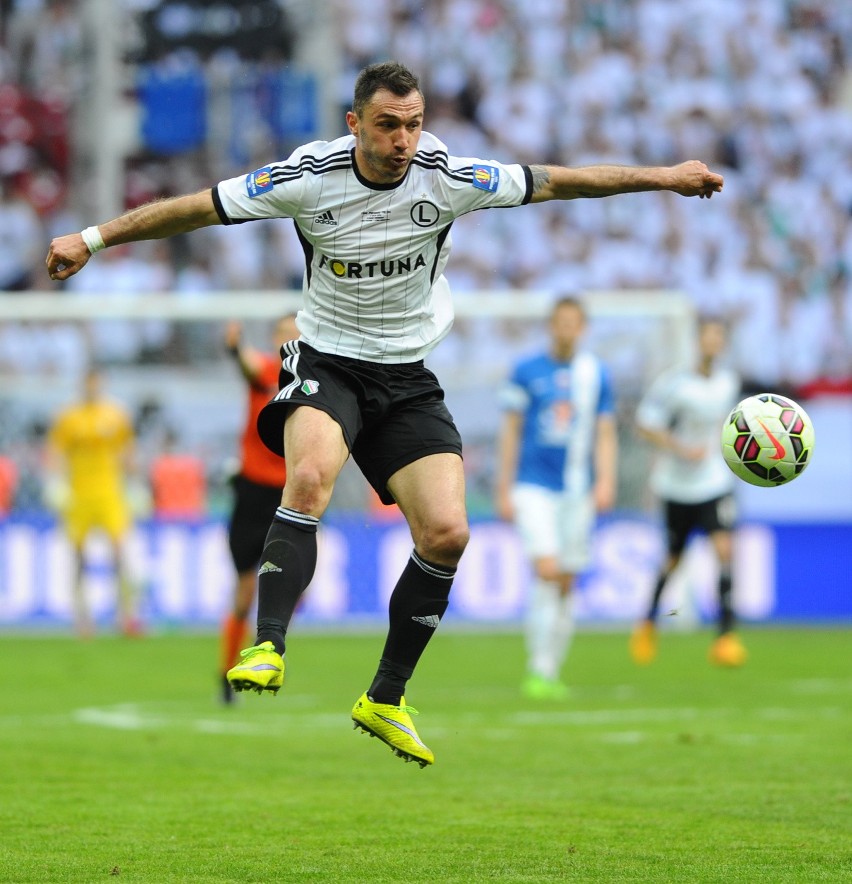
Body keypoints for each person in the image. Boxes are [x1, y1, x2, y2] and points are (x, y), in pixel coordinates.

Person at [46, 61, 724, 767]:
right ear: (354, 124)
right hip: (326, 361)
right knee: (309, 476)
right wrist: (92, 240)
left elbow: (557, 181)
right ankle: (268, 646)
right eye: (388, 125)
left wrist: (667, 175)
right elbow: (196, 207)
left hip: (406, 377)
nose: (404, 139)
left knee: (448, 532)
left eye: (414, 123)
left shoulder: (449, 176)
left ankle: (386, 697)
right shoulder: (308, 175)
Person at [496, 297, 617, 700]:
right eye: (560, 322)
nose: (566, 329)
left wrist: (605, 482)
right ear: (551, 325)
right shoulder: (526, 371)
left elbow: (604, 432)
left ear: (582, 328)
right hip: (533, 485)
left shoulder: (594, 373)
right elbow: (511, 431)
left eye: (573, 323)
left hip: (577, 488)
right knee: (546, 569)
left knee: (566, 580)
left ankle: (549, 669)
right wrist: (504, 486)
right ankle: (537, 668)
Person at [629, 317, 746, 667]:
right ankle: (648, 623)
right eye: (708, 335)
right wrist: (678, 447)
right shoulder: (674, 384)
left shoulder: (729, 382)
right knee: (673, 560)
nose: (713, 342)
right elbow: (645, 424)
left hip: (714, 482)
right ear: (698, 340)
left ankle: (726, 637)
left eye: (718, 336)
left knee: (725, 550)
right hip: (676, 484)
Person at [219, 314, 298, 704]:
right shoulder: (266, 372)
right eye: (283, 333)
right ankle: (226, 673)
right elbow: (247, 363)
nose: (289, 339)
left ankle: (267, 654)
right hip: (253, 496)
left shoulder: (314, 382)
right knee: (245, 591)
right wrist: (234, 347)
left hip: (291, 495)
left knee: (294, 584)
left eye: (295, 333)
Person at [45, 367, 142, 637]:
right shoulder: (68, 417)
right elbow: (55, 451)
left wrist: (135, 485)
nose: (92, 388)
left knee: (119, 552)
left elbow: (127, 450)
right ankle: (82, 617)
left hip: (109, 492)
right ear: (82, 385)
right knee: (78, 555)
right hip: (79, 495)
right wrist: (56, 483)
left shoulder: (115, 414)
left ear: (101, 384)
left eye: (95, 383)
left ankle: (126, 615)